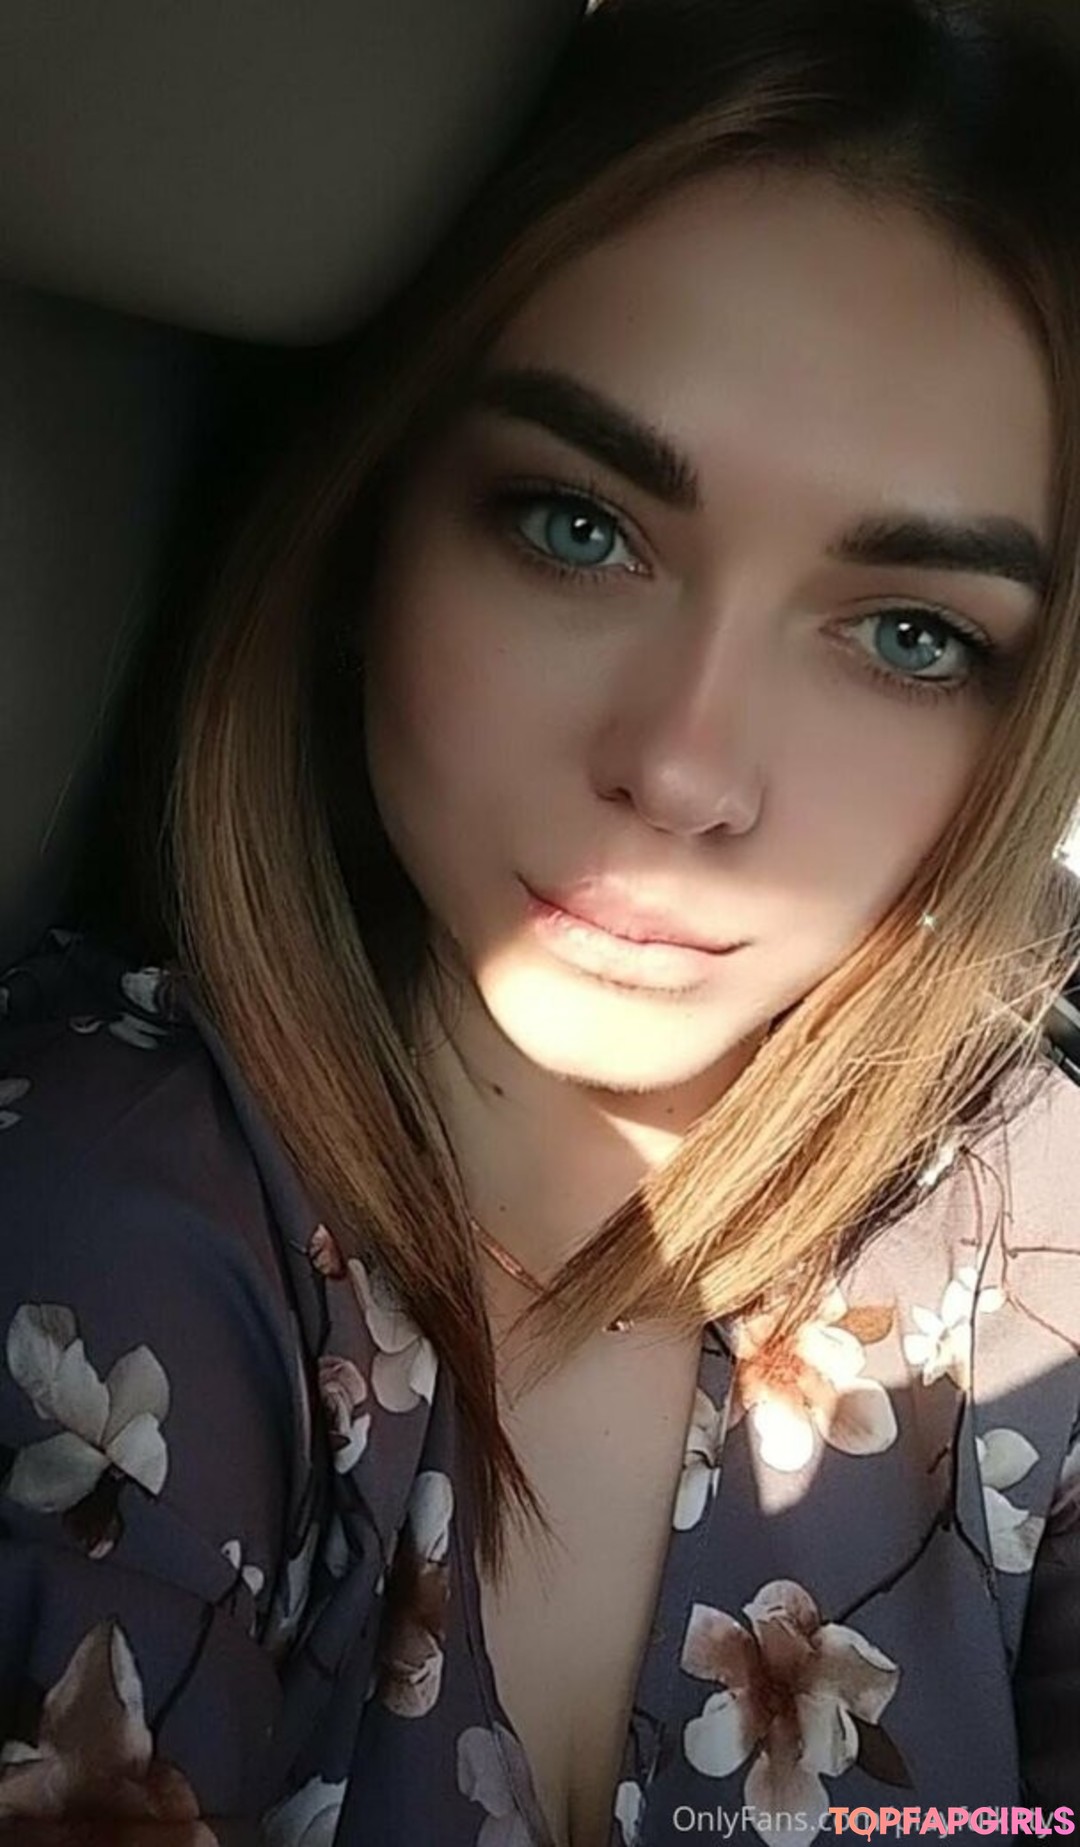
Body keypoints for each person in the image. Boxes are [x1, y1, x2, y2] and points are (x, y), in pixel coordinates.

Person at [3, 0, 1080, 1840]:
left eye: (911, 634)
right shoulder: (102, 1208)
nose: (682, 770)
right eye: (575, 525)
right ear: (372, 537)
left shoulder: (1040, 1240)